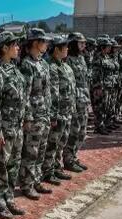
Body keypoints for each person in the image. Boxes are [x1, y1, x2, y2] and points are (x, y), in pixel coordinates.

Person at [0, 31, 27, 219]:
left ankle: (9, 198)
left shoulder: (15, 70)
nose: (18, 48)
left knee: (13, 165)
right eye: (14, 45)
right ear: (4, 48)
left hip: (16, 127)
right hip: (4, 128)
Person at [18, 28, 54, 200]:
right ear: (35, 43)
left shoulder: (43, 63)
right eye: (43, 41)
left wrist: (49, 111)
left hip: (44, 112)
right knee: (30, 151)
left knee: (41, 149)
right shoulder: (26, 65)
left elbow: (47, 91)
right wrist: (27, 116)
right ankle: (26, 184)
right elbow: (24, 94)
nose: (46, 44)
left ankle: (37, 179)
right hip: (33, 113)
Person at [42, 34, 76, 183]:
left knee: (61, 142)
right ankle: (47, 172)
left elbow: (72, 89)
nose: (67, 49)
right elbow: (53, 93)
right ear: (56, 49)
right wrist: (53, 115)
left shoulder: (65, 65)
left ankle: (56, 167)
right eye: (65, 47)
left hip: (67, 111)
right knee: (52, 144)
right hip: (58, 112)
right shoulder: (51, 66)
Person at [63, 32, 91, 172]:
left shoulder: (81, 58)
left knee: (82, 131)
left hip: (84, 98)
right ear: (74, 43)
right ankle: (68, 159)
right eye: (81, 43)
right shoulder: (67, 60)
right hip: (74, 100)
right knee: (74, 131)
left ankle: (74, 156)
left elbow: (85, 80)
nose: (84, 45)